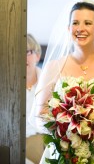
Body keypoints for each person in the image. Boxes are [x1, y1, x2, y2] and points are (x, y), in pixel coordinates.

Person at [30, 0, 94, 164]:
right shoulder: (54, 67)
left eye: (88, 23)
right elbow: (40, 115)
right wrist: (66, 128)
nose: (80, 28)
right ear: (69, 29)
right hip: (66, 151)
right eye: (75, 23)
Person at [26, 34, 44, 164]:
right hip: (19, 143)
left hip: (46, 141)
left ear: (37, 56)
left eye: (27, 52)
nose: (23, 57)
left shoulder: (50, 83)